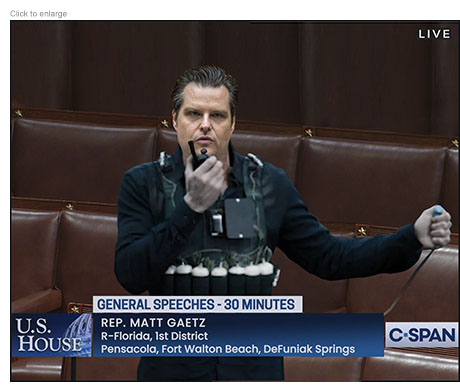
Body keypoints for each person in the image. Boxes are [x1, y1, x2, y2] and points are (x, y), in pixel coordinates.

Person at [114, 65, 452, 381]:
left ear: (233, 123)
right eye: (193, 114)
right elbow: (130, 275)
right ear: (174, 119)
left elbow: (330, 258)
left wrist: (412, 238)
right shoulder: (143, 183)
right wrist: (190, 208)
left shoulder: (268, 184)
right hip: (172, 370)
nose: (205, 125)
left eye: (217, 115)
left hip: (252, 370)